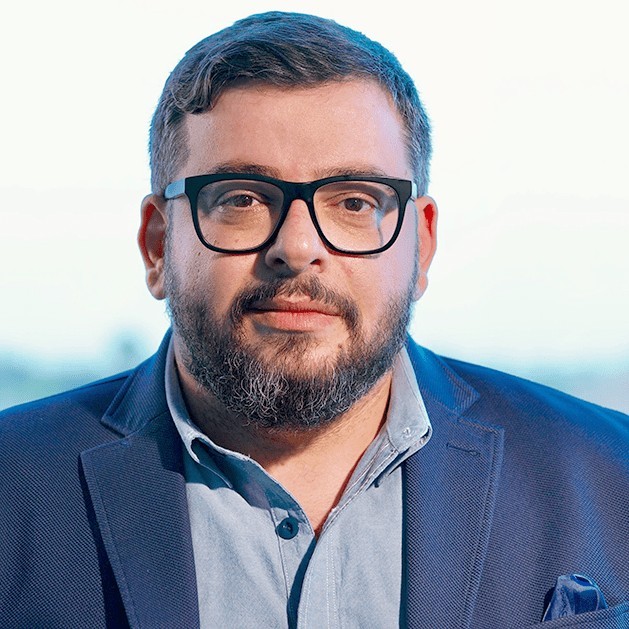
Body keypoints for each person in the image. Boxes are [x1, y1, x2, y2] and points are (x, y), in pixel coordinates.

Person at [0, 11, 627, 629]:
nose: (297, 248)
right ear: (158, 245)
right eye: (242, 199)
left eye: (355, 201)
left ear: (422, 246)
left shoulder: (613, 473)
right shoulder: (14, 488)